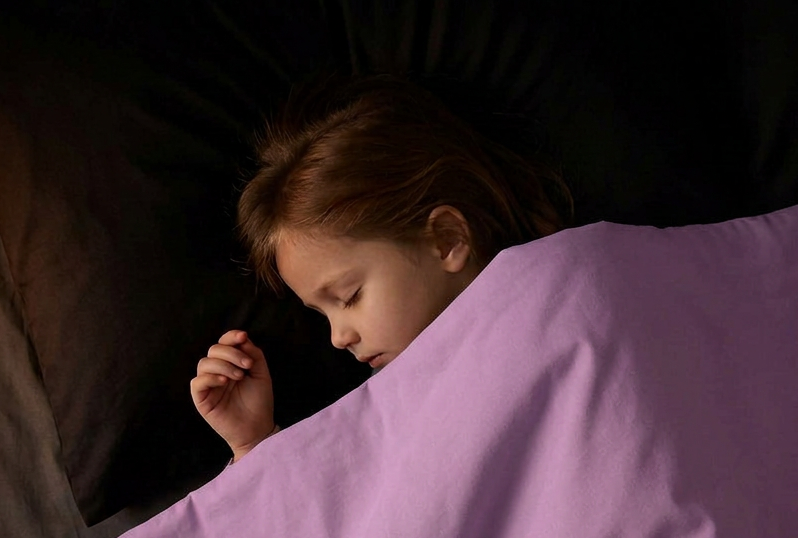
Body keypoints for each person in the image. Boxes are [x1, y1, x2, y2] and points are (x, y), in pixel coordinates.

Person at [190, 74, 574, 463]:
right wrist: (253, 446)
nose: (338, 337)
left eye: (349, 297)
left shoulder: (565, 298)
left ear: (447, 239)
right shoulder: (390, 394)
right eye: (322, 314)